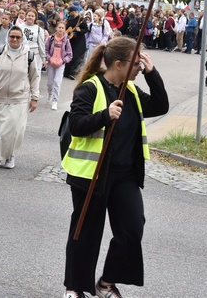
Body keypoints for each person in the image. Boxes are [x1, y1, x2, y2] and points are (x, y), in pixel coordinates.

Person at [62, 37, 168, 298]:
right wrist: (104, 116)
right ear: (119, 64)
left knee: (132, 229)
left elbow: (160, 105)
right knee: (86, 231)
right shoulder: (90, 88)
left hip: (124, 176)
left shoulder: (130, 91)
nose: (139, 68)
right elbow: (76, 124)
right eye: (136, 63)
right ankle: (75, 287)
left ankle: (106, 282)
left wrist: (152, 73)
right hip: (92, 175)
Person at [0, 26, 40, 169]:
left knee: (14, 131)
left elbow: (34, 77)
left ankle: (9, 156)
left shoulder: (29, 55)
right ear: (8, 37)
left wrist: (34, 98)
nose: (14, 39)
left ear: (22, 39)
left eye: (18, 37)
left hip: (19, 99)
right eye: (12, 36)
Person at [45, 19, 73, 110]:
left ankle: (55, 101)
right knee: (50, 83)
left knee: (57, 82)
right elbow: (45, 50)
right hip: (51, 63)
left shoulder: (66, 41)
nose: (61, 29)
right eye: (59, 27)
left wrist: (63, 61)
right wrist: (49, 58)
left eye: (62, 28)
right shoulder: (50, 38)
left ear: (65, 29)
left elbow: (69, 54)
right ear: (56, 28)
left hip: (60, 64)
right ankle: (50, 93)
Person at [64, 6, 89, 79]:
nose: (69, 13)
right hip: (71, 41)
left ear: (74, 11)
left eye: (70, 12)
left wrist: (80, 30)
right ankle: (66, 72)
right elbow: (67, 29)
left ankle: (73, 73)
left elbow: (86, 29)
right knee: (69, 55)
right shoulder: (70, 19)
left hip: (79, 41)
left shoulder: (81, 19)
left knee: (76, 57)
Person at [22, 9, 46, 78]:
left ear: (35, 18)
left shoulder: (39, 30)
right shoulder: (19, 27)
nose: (30, 17)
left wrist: (43, 58)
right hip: (22, 52)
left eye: (32, 16)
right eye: (29, 15)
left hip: (34, 53)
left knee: (33, 73)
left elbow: (41, 44)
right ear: (26, 16)